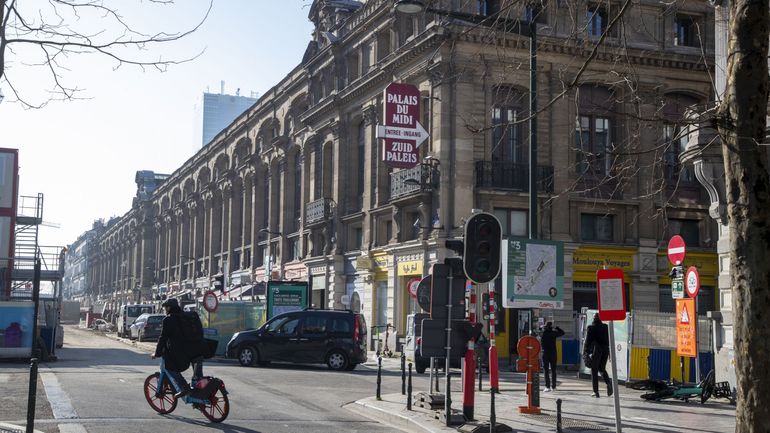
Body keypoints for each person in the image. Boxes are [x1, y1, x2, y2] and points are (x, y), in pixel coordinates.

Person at [152, 298, 192, 398]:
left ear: (169, 308)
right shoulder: (186, 316)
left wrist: (157, 353)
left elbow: (163, 338)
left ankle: (184, 387)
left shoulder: (168, 319)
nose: (165, 310)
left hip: (177, 352)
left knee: (169, 368)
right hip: (193, 349)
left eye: (165, 308)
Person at [583, 313, 612, 397]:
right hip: (605, 350)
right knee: (602, 368)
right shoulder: (605, 327)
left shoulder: (591, 328)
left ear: (593, 319)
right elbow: (608, 339)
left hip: (596, 351)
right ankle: (608, 383)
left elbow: (588, 341)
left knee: (594, 369)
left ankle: (596, 392)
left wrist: (586, 351)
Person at [540, 321, 564, 392]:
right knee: (553, 370)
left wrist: (544, 327)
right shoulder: (554, 333)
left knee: (546, 370)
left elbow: (539, 330)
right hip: (553, 353)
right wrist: (556, 328)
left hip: (545, 353)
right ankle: (554, 387)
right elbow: (562, 332)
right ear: (551, 327)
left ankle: (547, 387)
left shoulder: (543, 333)